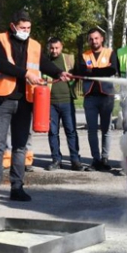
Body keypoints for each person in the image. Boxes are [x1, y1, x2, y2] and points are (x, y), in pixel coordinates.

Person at [0, 10, 72, 203]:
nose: (26, 31)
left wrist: (58, 73)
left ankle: (17, 188)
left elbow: (43, 63)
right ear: (13, 25)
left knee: (20, 147)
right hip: (1, 100)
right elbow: (1, 64)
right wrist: (26, 74)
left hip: (25, 101)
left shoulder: (35, 45)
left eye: (29, 28)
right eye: (23, 28)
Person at [72, 28, 117, 171]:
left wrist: (92, 71)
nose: (94, 41)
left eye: (96, 38)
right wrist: (99, 70)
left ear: (102, 38)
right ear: (88, 40)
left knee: (106, 129)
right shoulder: (85, 55)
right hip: (90, 97)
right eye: (91, 39)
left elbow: (112, 70)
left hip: (107, 96)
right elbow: (80, 71)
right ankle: (95, 159)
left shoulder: (110, 53)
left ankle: (105, 158)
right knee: (92, 130)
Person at [44, 37, 82, 171]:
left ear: (62, 47)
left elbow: (77, 75)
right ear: (49, 48)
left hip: (67, 101)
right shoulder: (45, 61)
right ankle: (56, 160)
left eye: (57, 48)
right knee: (53, 132)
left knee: (71, 131)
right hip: (50, 103)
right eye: (52, 48)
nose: (54, 51)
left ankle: (75, 160)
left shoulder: (69, 59)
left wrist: (71, 81)